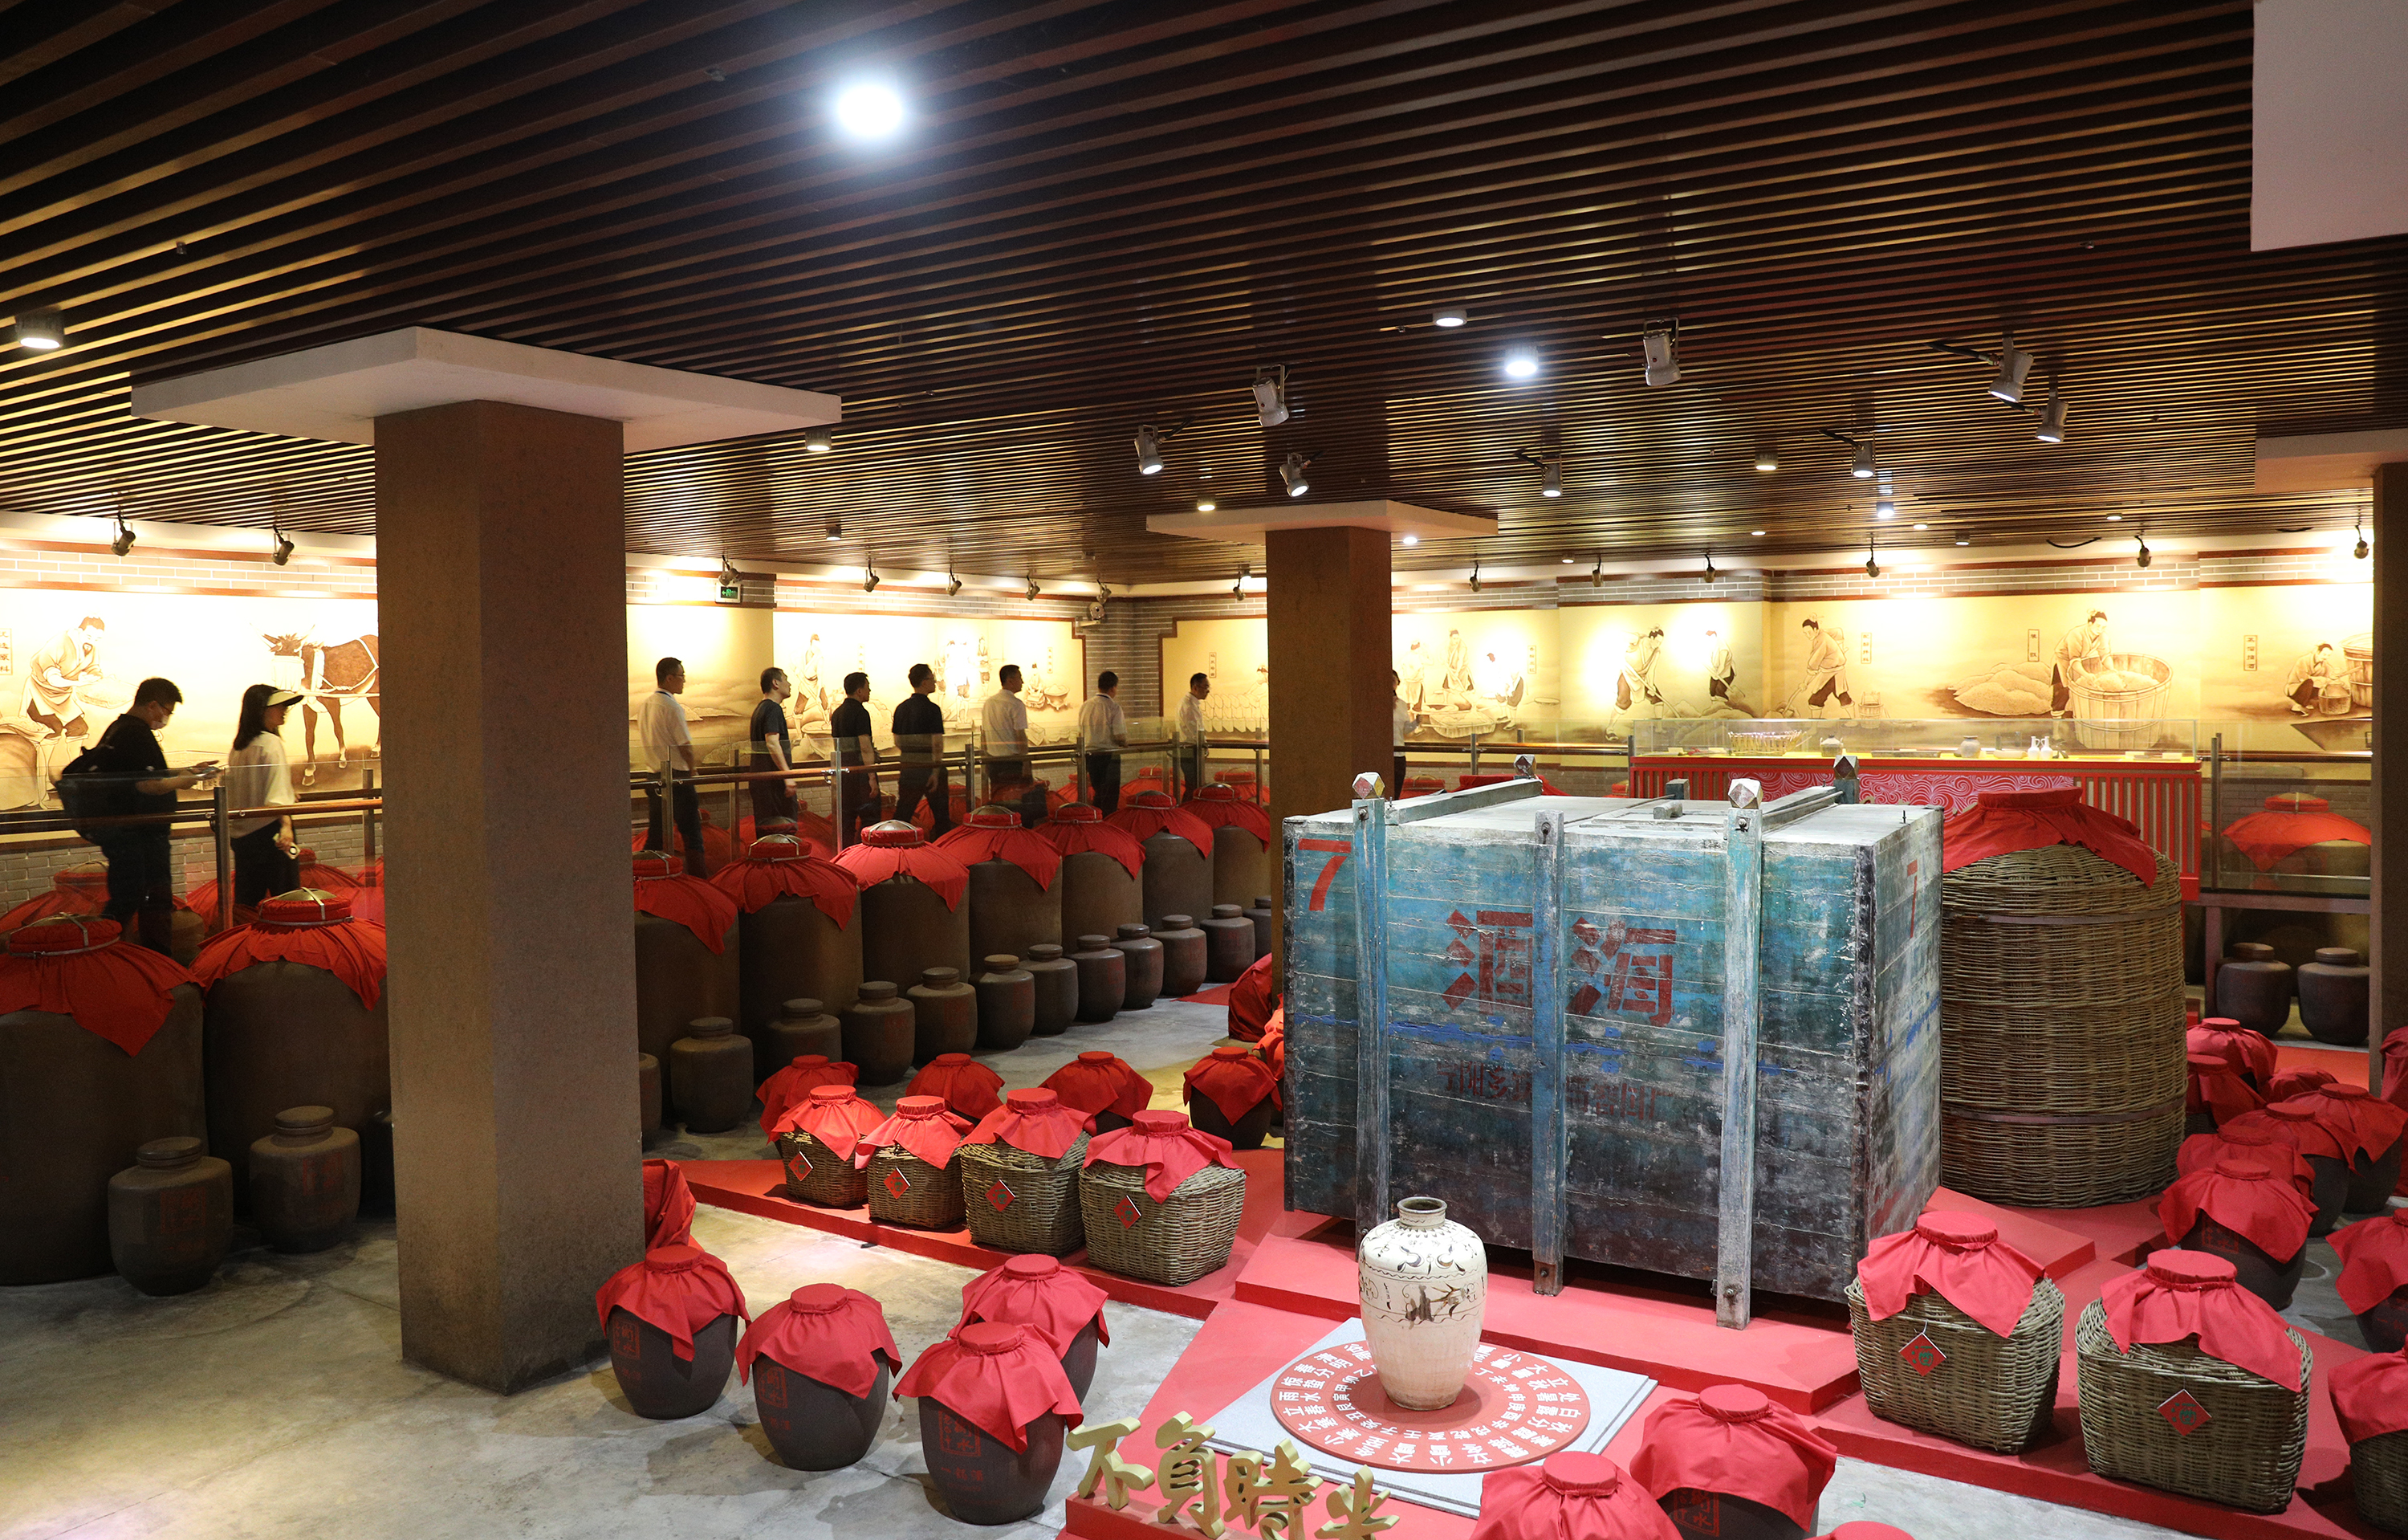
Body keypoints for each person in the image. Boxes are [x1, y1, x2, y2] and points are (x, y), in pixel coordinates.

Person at [82, 677, 215, 956]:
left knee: (127, 898)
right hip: (141, 836)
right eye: (167, 711)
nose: (166, 718)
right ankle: (151, 962)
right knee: (149, 901)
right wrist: (183, 782)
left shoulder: (119, 729)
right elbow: (146, 785)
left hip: (127, 834)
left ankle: (114, 956)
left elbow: (143, 775)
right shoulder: (136, 733)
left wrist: (186, 771)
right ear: (153, 705)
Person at [226, 683, 303, 907]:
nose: (284, 710)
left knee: (247, 904)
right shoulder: (271, 743)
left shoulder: (239, 747)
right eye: (279, 706)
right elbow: (276, 799)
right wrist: (286, 826)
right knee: (288, 903)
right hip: (272, 831)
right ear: (261, 710)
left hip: (243, 836)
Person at [637, 656, 710, 878]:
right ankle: (699, 881)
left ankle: (648, 880)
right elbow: (685, 745)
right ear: (669, 678)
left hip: (653, 776)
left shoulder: (645, 705)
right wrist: (692, 770)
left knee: (656, 834)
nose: (684, 681)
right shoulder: (671, 706)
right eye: (681, 676)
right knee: (692, 834)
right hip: (678, 778)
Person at [25, 616, 105, 796]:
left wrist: (93, 676)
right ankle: (41, 787)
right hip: (40, 693)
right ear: (79, 631)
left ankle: (75, 778)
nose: (93, 642)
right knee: (53, 729)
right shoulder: (59, 642)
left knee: (79, 728)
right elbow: (52, 678)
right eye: (90, 637)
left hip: (64, 696)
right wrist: (79, 682)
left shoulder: (91, 647)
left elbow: (94, 668)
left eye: (97, 639)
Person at [892, 662, 953, 837]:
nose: (935, 682)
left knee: (903, 813)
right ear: (924, 682)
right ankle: (943, 847)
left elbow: (897, 741)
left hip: (909, 767)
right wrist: (935, 771)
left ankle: (894, 844)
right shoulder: (933, 709)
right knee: (941, 817)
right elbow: (937, 744)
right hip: (929, 768)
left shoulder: (901, 708)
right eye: (932, 679)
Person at [980, 664, 1043, 825]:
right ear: (1010, 680)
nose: (1023, 682)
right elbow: (1020, 736)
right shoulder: (1016, 704)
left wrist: (985, 760)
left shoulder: (989, 703)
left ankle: (1002, 832)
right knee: (1019, 805)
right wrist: (1026, 762)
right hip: (1013, 762)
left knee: (999, 802)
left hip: (994, 762)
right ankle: (1022, 835)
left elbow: (984, 734)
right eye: (1019, 678)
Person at [828, 670, 877, 845]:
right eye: (867, 687)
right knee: (870, 818)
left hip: (844, 772)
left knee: (847, 820)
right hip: (860, 773)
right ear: (859, 691)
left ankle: (847, 853)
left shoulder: (837, 713)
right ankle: (864, 853)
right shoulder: (861, 713)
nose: (869, 691)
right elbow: (865, 746)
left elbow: (837, 746)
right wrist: (872, 777)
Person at [747, 667, 798, 831]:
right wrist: (787, 776)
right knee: (783, 831)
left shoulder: (760, 709)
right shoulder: (773, 709)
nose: (789, 684)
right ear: (775, 683)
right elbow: (772, 743)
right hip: (774, 783)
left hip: (762, 781)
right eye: (786, 679)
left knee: (767, 834)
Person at [1078, 670, 1129, 813]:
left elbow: (1080, 732)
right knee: (1110, 795)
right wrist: (1126, 743)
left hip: (1089, 755)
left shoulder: (1085, 706)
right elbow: (1119, 736)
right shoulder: (1113, 707)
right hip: (1108, 755)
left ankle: (1096, 818)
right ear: (1113, 688)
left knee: (1099, 791)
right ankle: (1108, 820)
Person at [2049, 609, 2110, 716]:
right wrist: (2086, 675)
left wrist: (2112, 670)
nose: (2100, 630)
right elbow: (2074, 659)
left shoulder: (2103, 636)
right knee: (2063, 690)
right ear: (2090, 624)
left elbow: (2105, 656)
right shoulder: (2076, 634)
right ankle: (2057, 715)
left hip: (2078, 661)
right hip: (2063, 661)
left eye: (2103, 627)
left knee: (2079, 688)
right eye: (2098, 626)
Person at [1799, 618, 1853, 715]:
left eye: (1809, 632)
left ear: (1815, 630)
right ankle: (1854, 720)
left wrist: (1805, 683)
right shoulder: (1822, 634)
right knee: (1840, 696)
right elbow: (1838, 632)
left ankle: (1855, 720)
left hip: (1834, 673)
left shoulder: (1821, 640)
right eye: (1805, 633)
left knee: (1816, 700)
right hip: (1830, 672)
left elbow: (1814, 663)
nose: (1808, 635)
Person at [1175, 671, 1210, 800]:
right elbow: (1195, 732)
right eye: (1205, 687)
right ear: (1195, 688)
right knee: (1193, 786)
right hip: (1190, 749)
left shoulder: (1190, 704)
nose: (1208, 690)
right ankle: (1188, 809)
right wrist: (1204, 744)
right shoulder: (1188, 706)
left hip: (1191, 749)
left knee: (1194, 785)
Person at [2283, 642, 2342, 715]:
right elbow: (2303, 678)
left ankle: (2307, 702)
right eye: (2324, 654)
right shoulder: (2303, 660)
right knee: (2309, 682)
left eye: (2328, 655)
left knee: (2325, 687)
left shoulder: (2324, 664)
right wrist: (2319, 679)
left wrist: (2335, 675)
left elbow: (2330, 673)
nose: (2326, 657)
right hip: (2295, 687)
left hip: (2309, 687)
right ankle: (2296, 707)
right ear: (2318, 652)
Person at [1390, 669, 1411, 796]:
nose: (1392, 683)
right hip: (1385, 754)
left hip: (1399, 752)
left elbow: (1405, 730)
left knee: (1397, 789)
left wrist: (1416, 723)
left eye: (1394, 680)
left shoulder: (1402, 704)